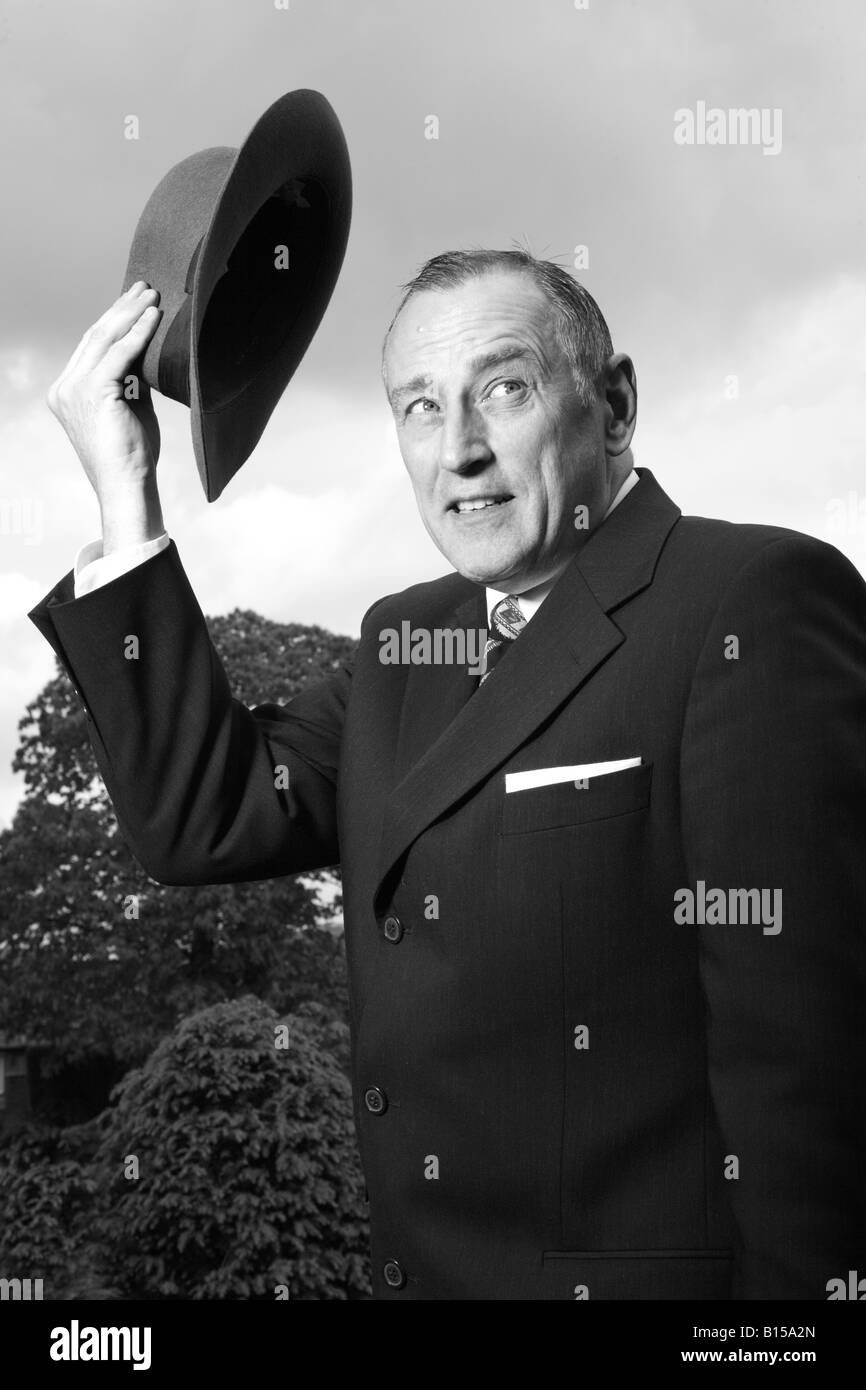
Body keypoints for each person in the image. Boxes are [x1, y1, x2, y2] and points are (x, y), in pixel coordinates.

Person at [29, 250, 866, 1300]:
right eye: (418, 408)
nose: (458, 450)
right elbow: (203, 818)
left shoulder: (747, 601)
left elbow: (809, 1077)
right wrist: (125, 492)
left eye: (502, 389)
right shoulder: (402, 642)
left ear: (612, 405)